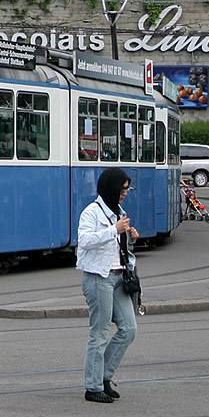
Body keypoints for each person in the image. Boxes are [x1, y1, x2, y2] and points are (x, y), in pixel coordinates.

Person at [77, 167, 138, 403]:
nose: (125, 194)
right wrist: (114, 230)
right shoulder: (91, 212)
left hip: (120, 276)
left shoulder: (119, 211)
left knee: (129, 328)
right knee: (100, 332)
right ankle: (92, 387)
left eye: (127, 190)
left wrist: (129, 237)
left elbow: (117, 247)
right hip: (98, 277)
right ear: (110, 188)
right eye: (122, 190)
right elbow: (84, 241)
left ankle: (103, 376)